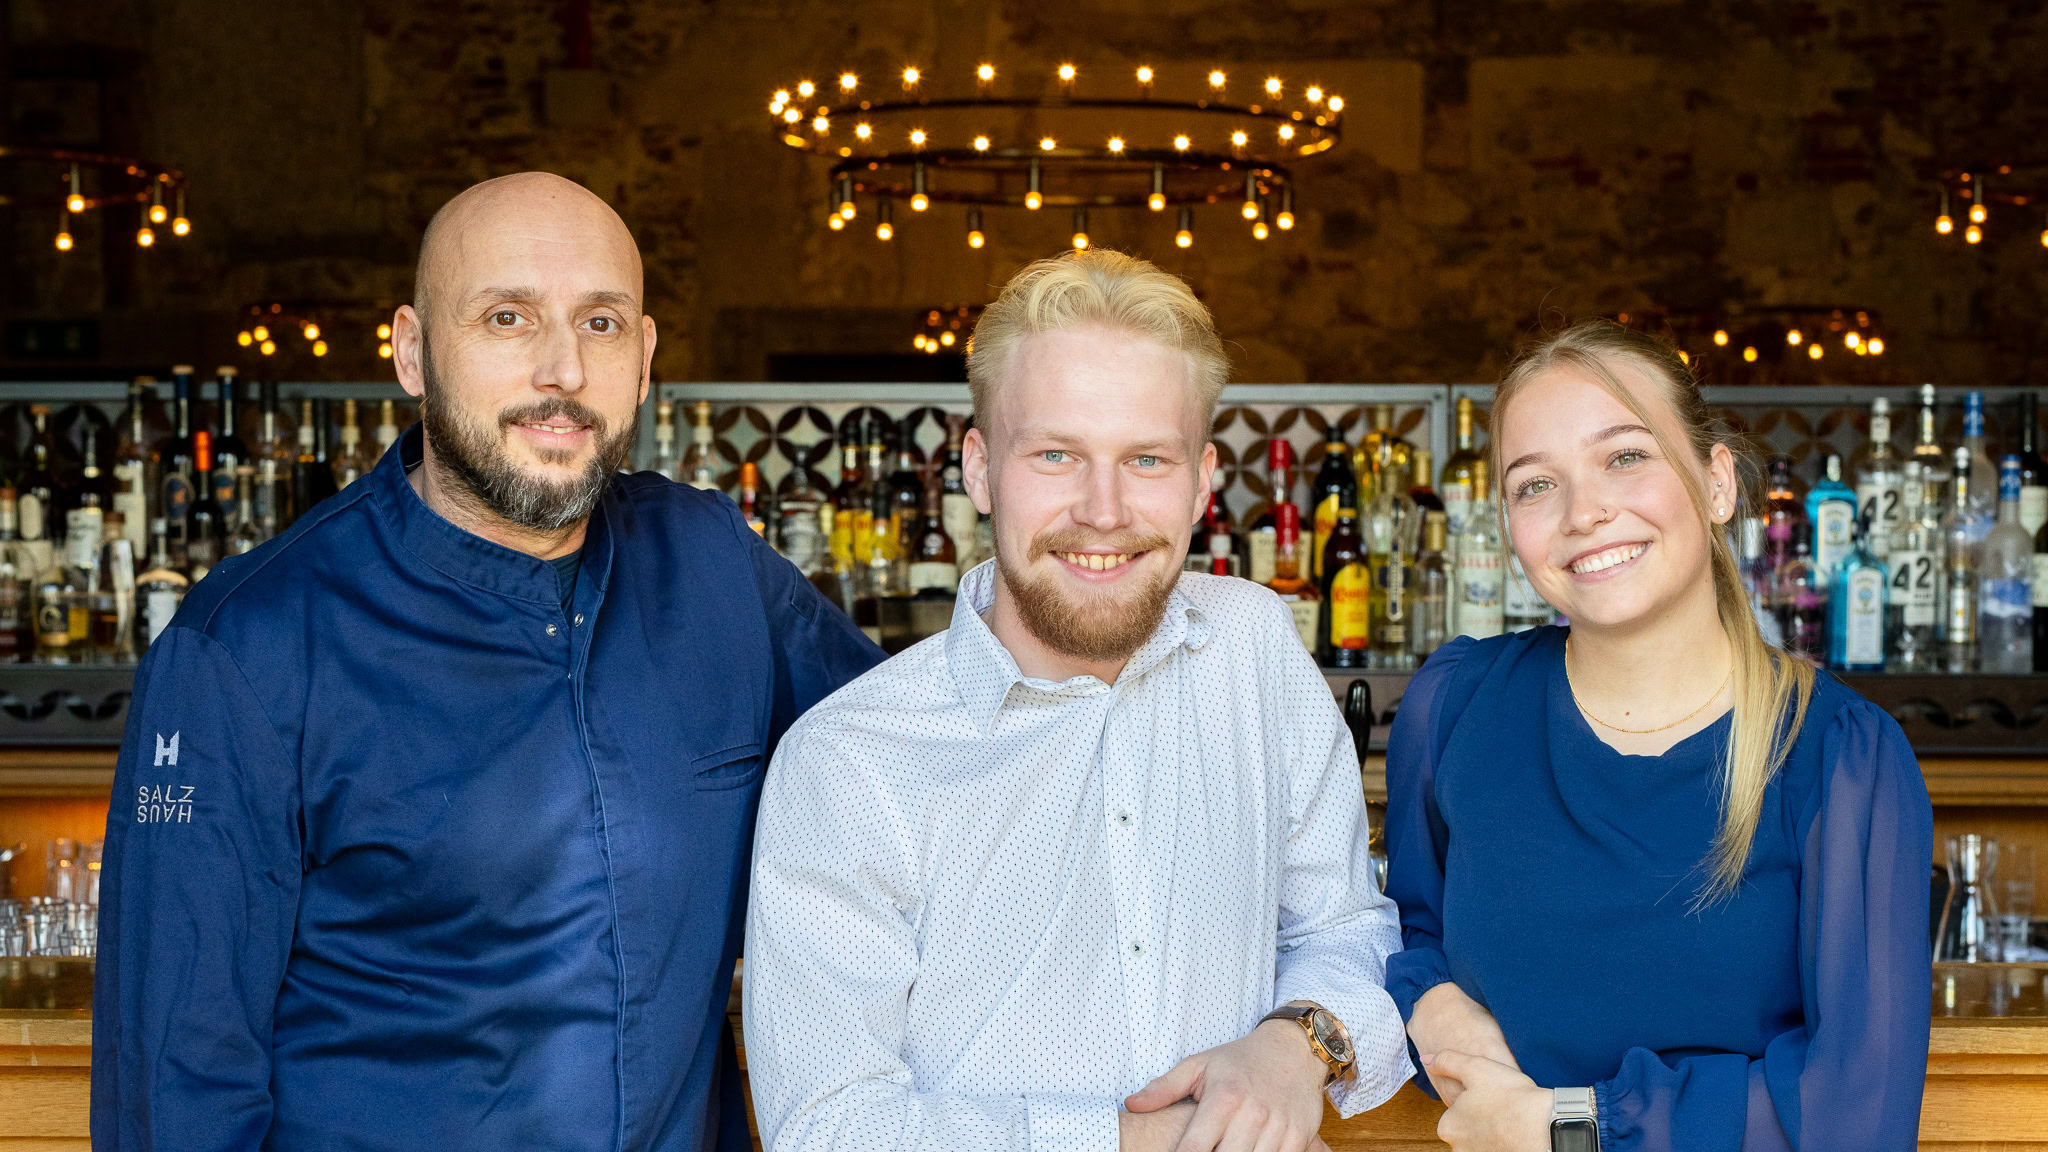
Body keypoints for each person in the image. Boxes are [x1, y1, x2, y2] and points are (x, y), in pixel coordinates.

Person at [91, 172, 881, 1151]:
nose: (560, 369)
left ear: (642, 359)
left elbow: (924, 757)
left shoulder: (715, 563)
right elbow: (173, 1085)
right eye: (507, 317)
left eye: (600, 323)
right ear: (413, 353)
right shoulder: (240, 648)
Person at [743, 248, 1411, 1152]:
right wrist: (1145, 1142)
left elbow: (1347, 925)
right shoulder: (848, 761)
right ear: (979, 470)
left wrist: (1298, 1046)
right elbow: (827, 1130)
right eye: (1056, 453)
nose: (1103, 510)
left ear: (1204, 480)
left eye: (1146, 458)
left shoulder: (1252, 644)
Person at [1383, 321, 1932, 1152]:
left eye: (1626, 456)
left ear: (1717, 484)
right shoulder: (1454, 704)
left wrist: (1575, 1127)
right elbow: (1402, 931)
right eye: (1535, 485)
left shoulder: (1841, 755)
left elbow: (1856, 1109)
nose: (1585, 511)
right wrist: (1429, 1002)